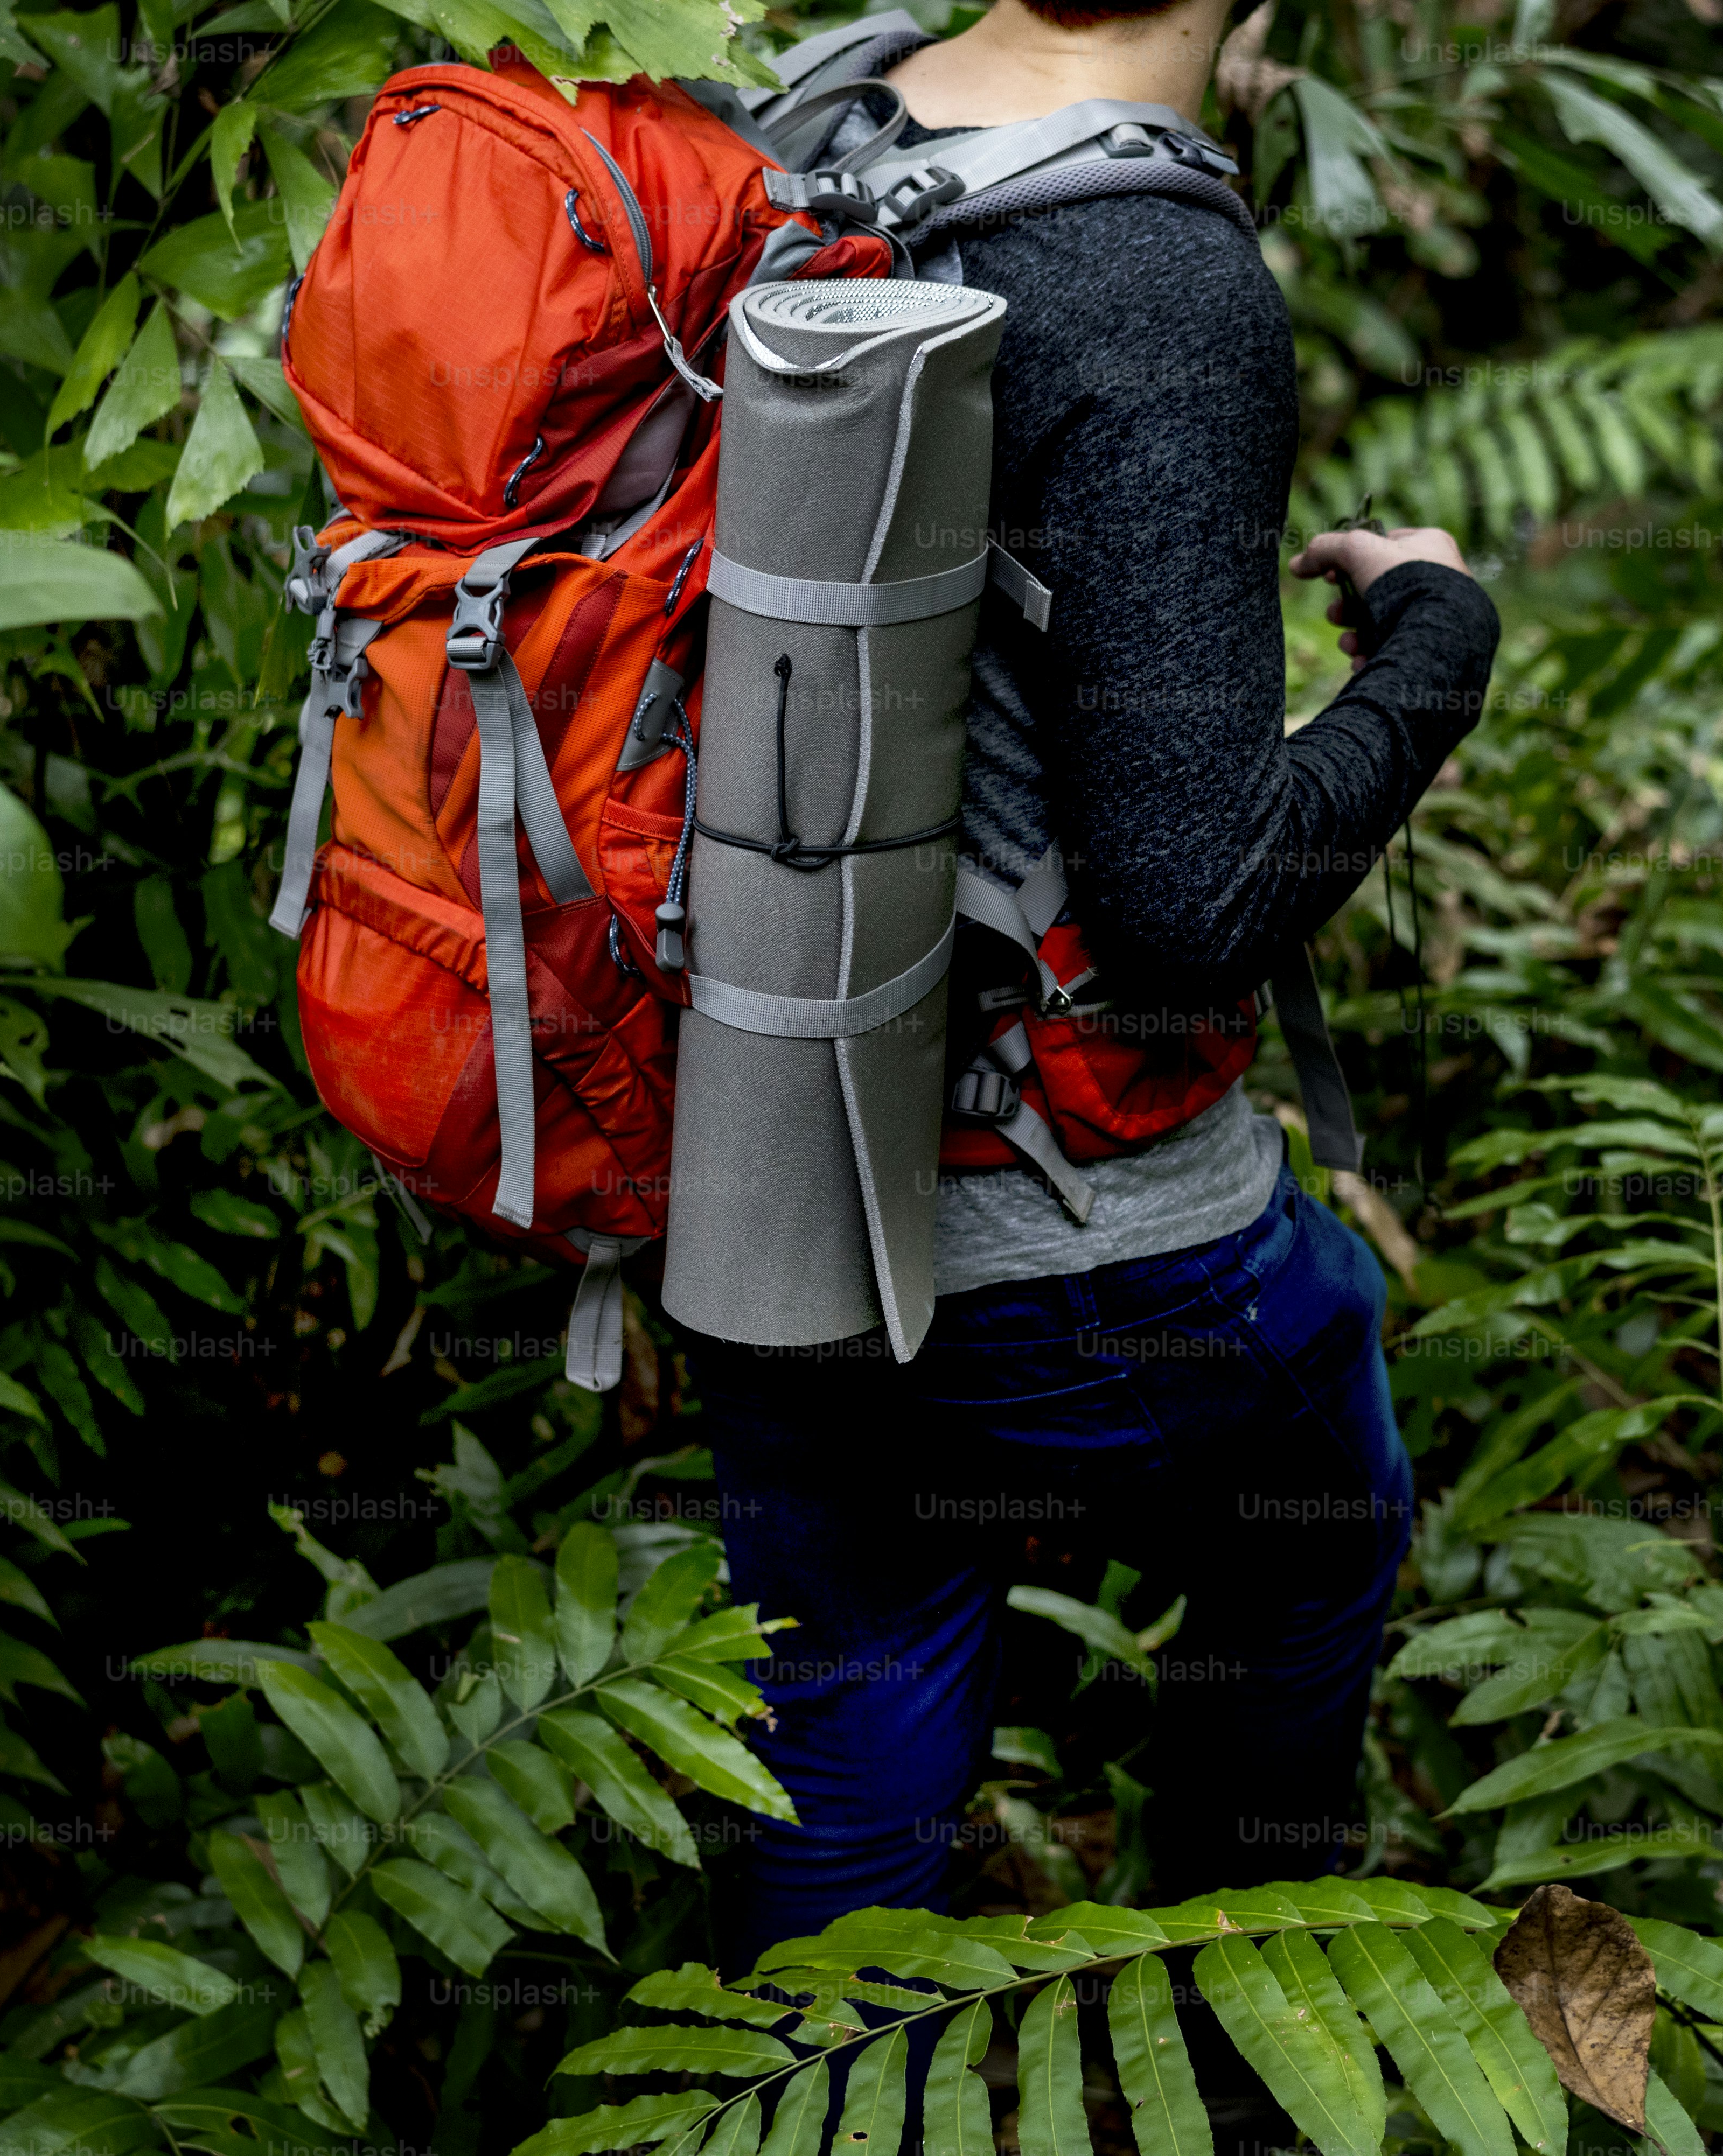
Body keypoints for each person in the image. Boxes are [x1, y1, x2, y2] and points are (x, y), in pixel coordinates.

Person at [681, 0, 1504, 1969]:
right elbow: (1191, 901)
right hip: (1078, 1248)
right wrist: (1434, 638)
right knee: (1317, 1519)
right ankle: (1227, 2009)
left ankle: (796, 2081)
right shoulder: (1152, 279)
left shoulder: (809, 127)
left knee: (849, 1681)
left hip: (761, 1172)